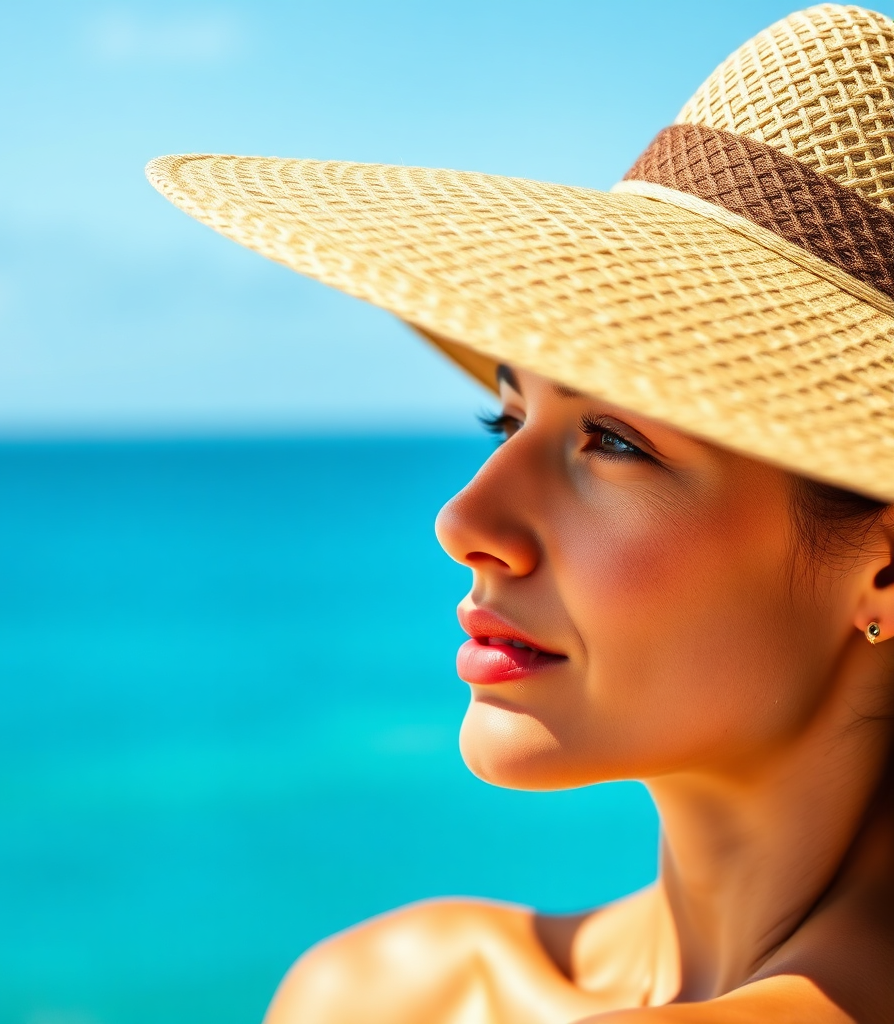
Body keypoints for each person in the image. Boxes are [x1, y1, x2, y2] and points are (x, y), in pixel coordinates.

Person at [146, 5, 894, 1021]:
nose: (465, 520)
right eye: (505, 420)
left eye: (616, 443)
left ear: (884, 571)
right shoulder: (400, 983)